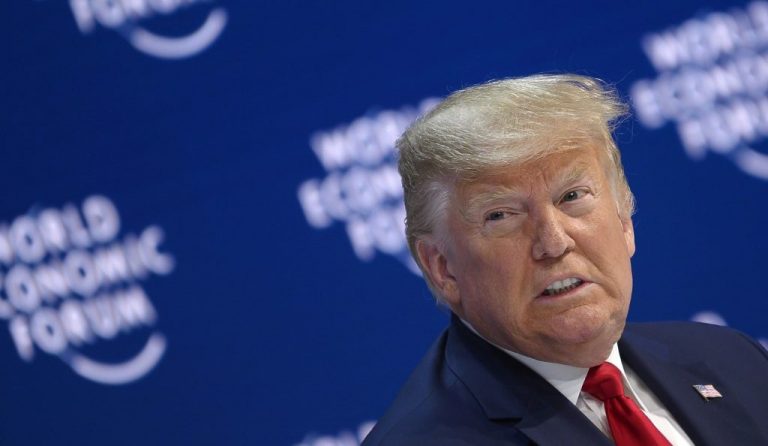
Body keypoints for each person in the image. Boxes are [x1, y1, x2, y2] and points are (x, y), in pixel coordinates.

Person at [362, 74, 768, 445]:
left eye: (572, 196)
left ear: (624, 220)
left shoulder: (732, 359)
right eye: (501, 216)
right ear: (443, 268)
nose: (553, 243)